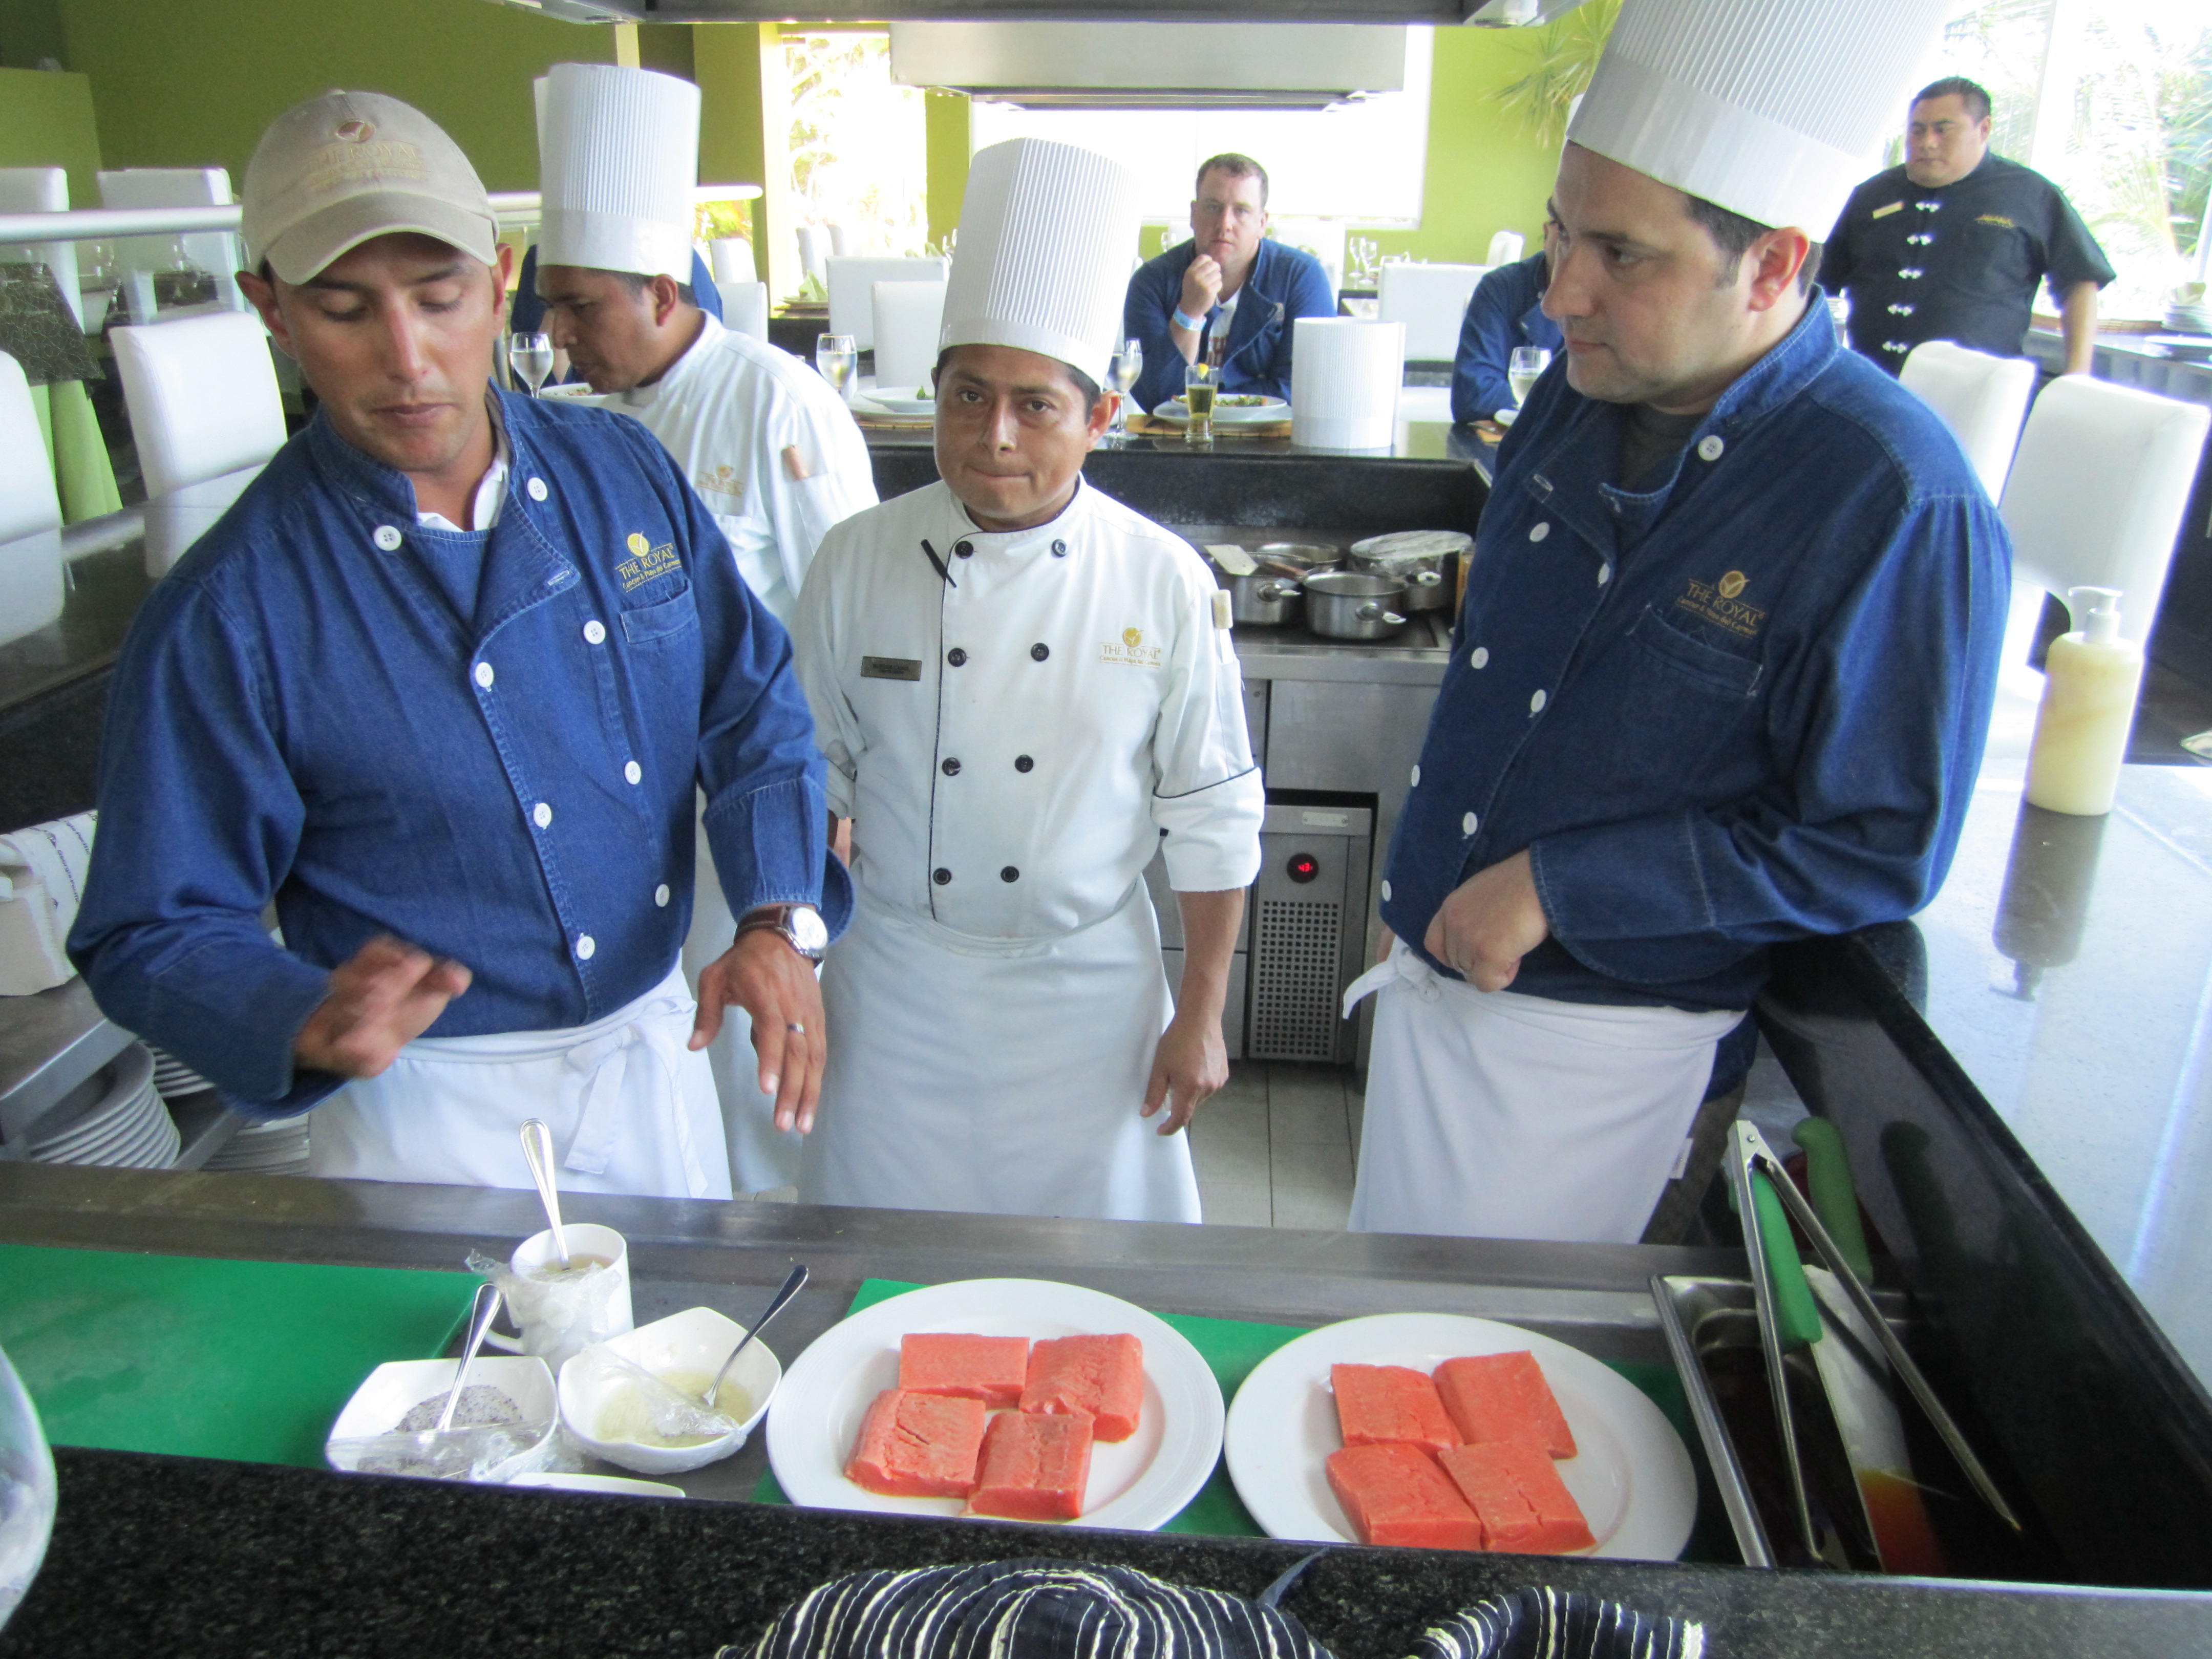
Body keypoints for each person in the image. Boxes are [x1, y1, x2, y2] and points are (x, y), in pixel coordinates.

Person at [67, 90, 850, 1200]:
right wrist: (299, 1012)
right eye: (344, 310)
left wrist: (778, 917)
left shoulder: (623, 474)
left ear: (496, 281)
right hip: (427, 1119)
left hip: (655, 1063)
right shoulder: (230, 608)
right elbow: (149, 926)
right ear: (270, 310)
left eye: (438, 298)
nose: (407, 358)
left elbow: (751, 704)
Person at [1348, 0, 2011, 1244]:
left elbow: (1871, 849)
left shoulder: (1892, 497)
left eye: (1621, 254)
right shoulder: (1582, 388)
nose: (1562, 294)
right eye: (1561, 234)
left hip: (1613, 1055)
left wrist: (1558, 884)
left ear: (1773, 265)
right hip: (1438, 984)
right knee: (1390, 1322)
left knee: (1518, 1358)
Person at [792, 137, 1265, 1221]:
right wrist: (795, 957)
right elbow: (812, 781)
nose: (993, 436)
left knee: (1090, 1278)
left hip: (1088, 1002)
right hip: (894, 994)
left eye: (1035, 405)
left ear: (1101, 418)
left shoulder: (1163, 579)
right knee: (889, 1270)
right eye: (967, 395)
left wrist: (1201, 1013)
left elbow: (1212, 816)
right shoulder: (854, 559)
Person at [529, 64, 878, 1197]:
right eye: (549, 305)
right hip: (624, 818)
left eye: (581, 306)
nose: (557, 334)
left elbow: (850, 610)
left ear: (661, 289)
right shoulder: (569, 429)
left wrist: (835, 806)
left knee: (754, 1081)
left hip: (752, 810)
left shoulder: (775, 403)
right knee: (661, 1085)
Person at [1821, 77, 2114, 376]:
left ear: (1983, 128)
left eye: (1943, 130)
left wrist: (2078, 374)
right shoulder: (1870, 196)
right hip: (1870, 379)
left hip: (1978, 386)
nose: (1927, 143)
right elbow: (1817, 284)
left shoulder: (2029, 195)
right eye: (1917, 130)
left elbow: (2080, 282)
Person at [1122, 154, 1335, 413]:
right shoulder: (1151, 281)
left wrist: (1207, 401)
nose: (1225, 224)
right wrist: (1189, 314)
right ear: (1193, 214)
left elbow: (1303, 390)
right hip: (1177, 436)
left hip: (1272, 436)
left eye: (1241, 211)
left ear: (1262, 223)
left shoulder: (1302, 277)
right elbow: (1154, 397)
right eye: (1213, 207)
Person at [1450, 213, 1565, 424]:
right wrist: (1565, 408)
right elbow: (1474, 397)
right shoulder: (1502, 288)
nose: (1576, 248)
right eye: (1565, 232)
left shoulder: (1616, 298)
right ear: (1547, 233)